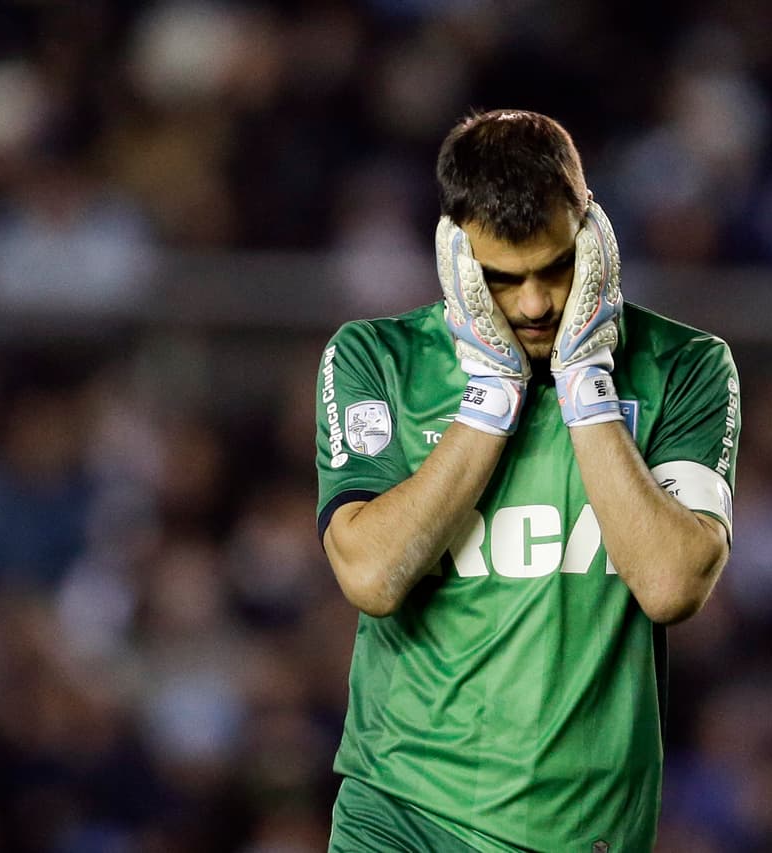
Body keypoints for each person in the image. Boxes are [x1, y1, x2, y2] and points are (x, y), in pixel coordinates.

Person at [316, 109, 741, 852]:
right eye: (502, 280)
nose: (537, 302)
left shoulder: (686, 365)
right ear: (454, 257)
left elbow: (674, 584)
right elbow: (373, 574)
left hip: (582, 831)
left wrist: (586, 382)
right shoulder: (377, 357)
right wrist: (491, 398)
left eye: (557, 267)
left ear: (594, 237)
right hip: (401, 811)